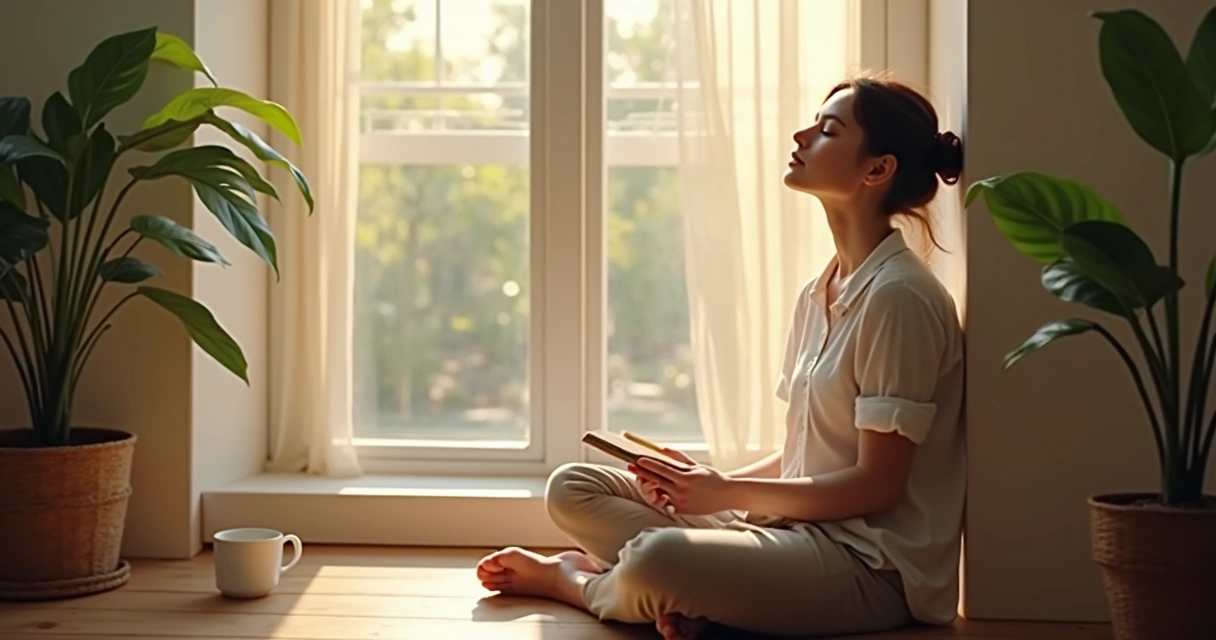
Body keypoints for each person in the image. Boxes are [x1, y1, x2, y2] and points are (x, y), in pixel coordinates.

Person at [476, 74, 966, 640]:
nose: (802, 135)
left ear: (876, 170)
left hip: (868, 567)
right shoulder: (823, 288)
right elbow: (807, 453)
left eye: (828, 130)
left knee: (660, 559)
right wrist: (703, 485)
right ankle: (704, 601)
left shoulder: (898, 298)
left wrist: (725, 495)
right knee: (574, 487)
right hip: (792, 530)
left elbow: (877, 487)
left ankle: (575, 582)